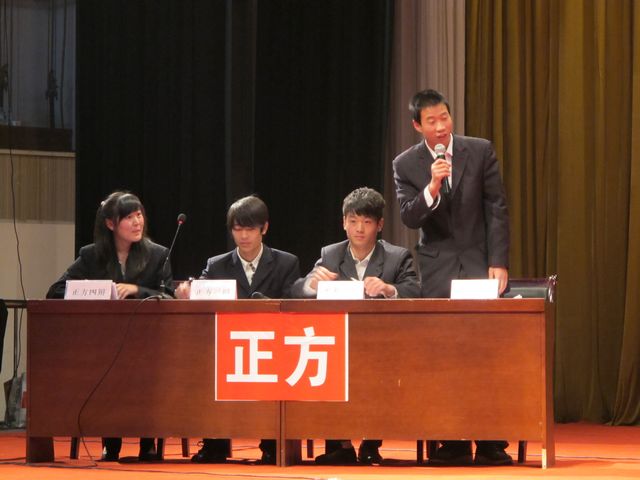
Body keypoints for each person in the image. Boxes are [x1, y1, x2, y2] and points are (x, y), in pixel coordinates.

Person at [392, 89, 511, 466]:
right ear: (417, 126)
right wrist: (432, 187)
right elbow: (409, 217)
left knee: (485, 351)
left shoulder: (479, 150)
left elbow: (496, 208)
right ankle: (452, 440)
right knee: (442, 354)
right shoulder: (405, 164)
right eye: (432, 121)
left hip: (479, 263)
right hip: (437, 269)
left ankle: (491, 441)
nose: (441, 126)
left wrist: (499, 260)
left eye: (444, 117)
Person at [291, 187, 420, 465]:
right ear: (344, 223)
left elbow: (416, 291)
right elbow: (297, 289)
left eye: (367, 222)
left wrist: (389, 289)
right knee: (326, 362)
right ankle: (340, 445)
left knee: (378, 369)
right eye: (353, 221)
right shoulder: (331, 254)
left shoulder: (397, 256)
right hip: (339, 341)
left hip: (383, 343)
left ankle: (371, 443)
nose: (359, 229)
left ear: (380, 225)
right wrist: (312, 285)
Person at [47, 191, 173, 462]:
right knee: (105, 370)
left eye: (139, 215)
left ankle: (148, 442)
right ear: (110, 224)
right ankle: (110, 442)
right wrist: (96, 289)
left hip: (148, 344)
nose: (137, 222)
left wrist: (137, 290)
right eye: (129, 217)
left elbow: (169, 296)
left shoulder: (157, 254)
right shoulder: (91, 255)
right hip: (104, 344)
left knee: (145, 373)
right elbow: (56, 290)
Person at [176, 195, 300, 464]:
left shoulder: (286, 262)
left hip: (272, 346)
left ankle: (271, 444)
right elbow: (200, 293)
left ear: (264, 228)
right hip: (228, 345)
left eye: (250, 229)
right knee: (206, 364)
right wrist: (188, 292)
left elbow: (292, 306)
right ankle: (215, 443)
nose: (243, 236)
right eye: (237, 229)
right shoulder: (216, 264)